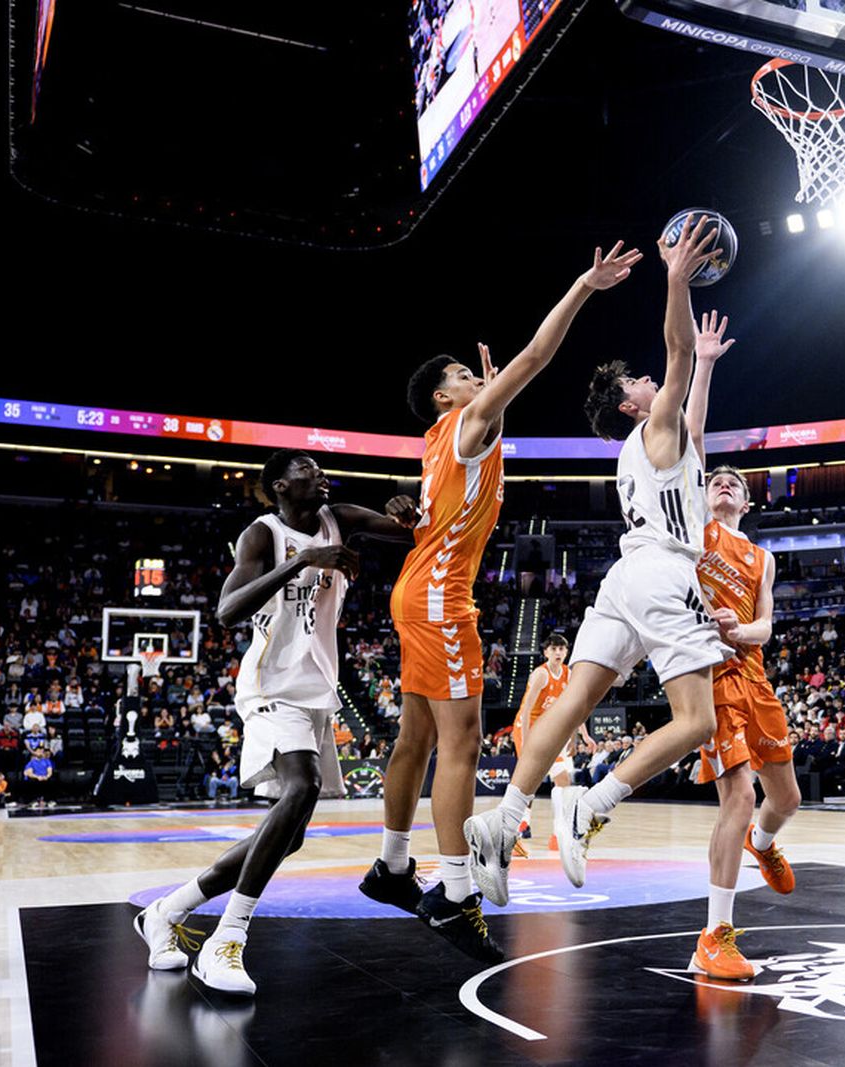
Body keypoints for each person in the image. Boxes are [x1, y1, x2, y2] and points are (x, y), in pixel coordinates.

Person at [358, 240, 643, 958]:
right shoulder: (466, 424)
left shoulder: (445, 438)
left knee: (416, 738)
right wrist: (583, 282)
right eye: (462, 376)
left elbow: (476, 452)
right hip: (441, 599)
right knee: (460, 742)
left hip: (416, 592)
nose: (474, 378)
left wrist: (493, 401)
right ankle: (454, 891)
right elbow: (538, 358)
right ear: (444, 398)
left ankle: (393, 865)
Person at [465, 218, 733, 919]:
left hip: (624, 579)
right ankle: (589, 802)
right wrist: (675, 279)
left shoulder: (640, 450)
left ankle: (503, 817)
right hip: (664, 574)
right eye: (640, 382)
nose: (653, 379)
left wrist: (704, 364)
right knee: (696, 721)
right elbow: (672, 353)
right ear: (630, 404)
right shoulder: (654, 424)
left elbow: (695, 421)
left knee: (572, 701)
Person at [133, 450, 412, 995]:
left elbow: (411, 533)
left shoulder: (343, 518)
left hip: (316, 693)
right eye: (307, 468)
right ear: (281, 486)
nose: (320, 472)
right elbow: (227, 610)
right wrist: (305, 561)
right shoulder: (261, 535)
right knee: (301, 787)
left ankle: (168, 910)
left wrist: (406, 510)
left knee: (290, 837)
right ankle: (226, 938)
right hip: (269, 687)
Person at [679, 313, 802, 980]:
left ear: (748, 503)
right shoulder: (697, 528)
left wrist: (740, 627)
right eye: (716, 480)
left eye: (735, 483)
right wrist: (705, 364)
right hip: (714, 677)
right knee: (740, 796)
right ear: (703, 493)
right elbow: (693, 436)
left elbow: (765, 625)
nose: (724, 483)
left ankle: (763, 844)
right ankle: (714, 935)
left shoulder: (761, 555)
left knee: (786, 801)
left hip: (753, 672)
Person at [511, 633, 592, 851]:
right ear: (546, 652)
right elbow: (526, 709)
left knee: (563, 779)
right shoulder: (541, 674)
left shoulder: (569, 674)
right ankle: (519, 825)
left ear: (566, 653)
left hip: (550, 728)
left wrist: (580, 735)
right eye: (553, 649)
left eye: (561, 649)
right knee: (529, 779)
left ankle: (559, 834)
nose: (558, 653)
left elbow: (575, 708)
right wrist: (527, 741)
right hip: (527, 727)